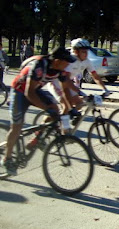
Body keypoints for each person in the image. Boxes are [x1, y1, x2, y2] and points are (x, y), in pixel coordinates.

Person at [0, 47, 77, 176]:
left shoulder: (60, 69)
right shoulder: (39, 66)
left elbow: (65, 90)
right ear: (57, 61)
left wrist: (70, 108)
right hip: (20, 91)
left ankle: (36, 139)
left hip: (35, 90)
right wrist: (46, 108)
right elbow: (28, 92)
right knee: (17, 126)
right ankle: (7, 159)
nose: (68, 64)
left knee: (55, 109)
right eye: (66, 61)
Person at [49, 38, 110, 110]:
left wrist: (105, 89)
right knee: (67, 107)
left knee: (79, 104)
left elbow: (95, 76)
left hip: (67, 83)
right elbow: (66, 79)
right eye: (83, 52)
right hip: (56, 82)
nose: (86, 54)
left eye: (87, 51)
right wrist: (78, 91)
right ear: (76, 51)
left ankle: (70, 119)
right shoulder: (70, 60)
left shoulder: (87, 61)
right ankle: (50, 119)